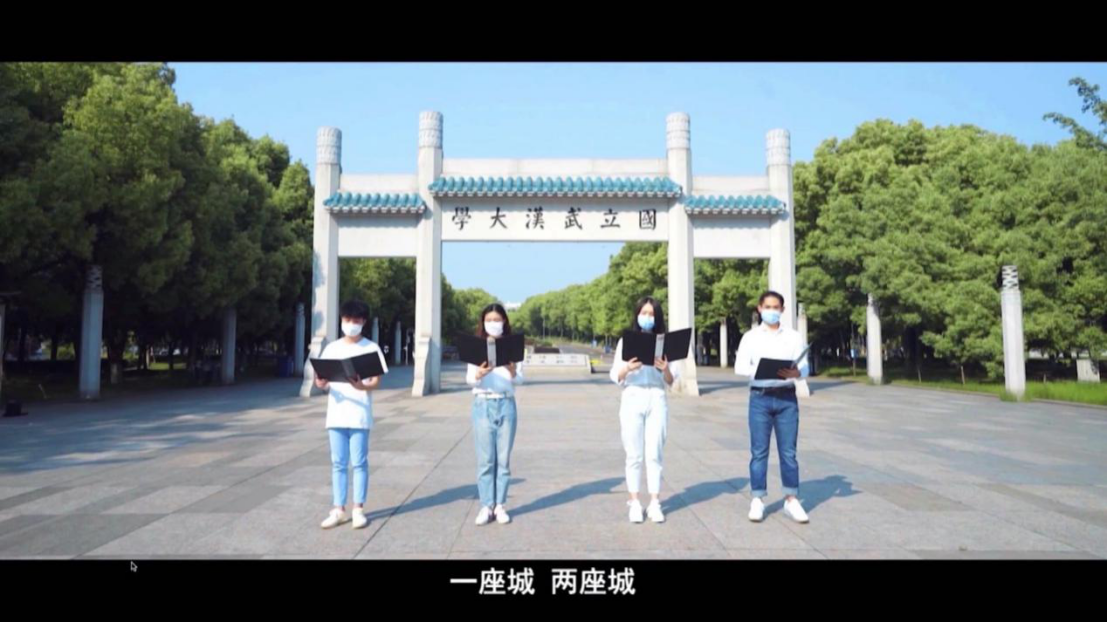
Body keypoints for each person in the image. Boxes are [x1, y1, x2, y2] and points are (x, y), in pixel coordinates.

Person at [734, 290, 810, 524]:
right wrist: (762, 370)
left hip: (787, 397)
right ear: (759, 309)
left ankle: (791, 498)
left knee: (788, 452)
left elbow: (805, 367)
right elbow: (740, 367)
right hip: (760, 397)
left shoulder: (793, 337)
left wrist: (797, 373)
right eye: (767, 307)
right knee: (759, 451)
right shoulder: (750, 337)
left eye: (776, 307)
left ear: (782, 310)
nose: (772, 311)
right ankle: (758, 498)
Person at [314, 300, 387, 530]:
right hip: (336, 414)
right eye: (347, 320)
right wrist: (321, 383)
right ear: (341, 320)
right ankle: (338, 509)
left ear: (363, 322)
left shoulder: (371, 348)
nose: (351, 324)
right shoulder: (332, 348)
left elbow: (376, 382)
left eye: (356, 320)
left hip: (359, 414)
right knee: (338, 463)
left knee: (359, 462)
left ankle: (358, 509)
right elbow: (322, 380)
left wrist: (362, 386)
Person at [609, 296, 677, 523]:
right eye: (643, 313)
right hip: (633, 395)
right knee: (634, 453)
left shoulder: (664, 343)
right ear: (637, 315)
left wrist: (665, 368)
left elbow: (671, 380)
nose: (647, 317)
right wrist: (627, 368)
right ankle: (635, 501)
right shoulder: (625, 341)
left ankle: (655, 502)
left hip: (656, 396)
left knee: (655, 452)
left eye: (651, 314)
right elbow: (615, 375)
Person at [466, 303, 524, 525]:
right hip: (483, 404)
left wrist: (513, 371)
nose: (493, 324)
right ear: (483, 323)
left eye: (497, 320)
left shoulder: (513, 348)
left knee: (503, 459)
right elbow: (469, 380)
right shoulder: (476, 347)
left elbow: (520, 380)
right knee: (486, 460)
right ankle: (486, 505)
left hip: (506, 403)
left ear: (504, 322)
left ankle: (500, 505)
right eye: (489, 320)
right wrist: (479, 374)